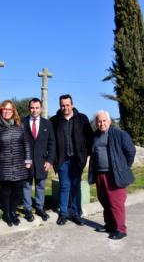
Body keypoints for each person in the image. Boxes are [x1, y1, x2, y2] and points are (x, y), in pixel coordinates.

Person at [88, 110, 135, 240]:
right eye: (99, 121)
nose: (101, 123)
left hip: (114, 175)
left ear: (109, 121)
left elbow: (130, 151)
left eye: (104, 120)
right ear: (96, 122)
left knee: (116, 203)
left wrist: (123, 167)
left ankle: (120, 229)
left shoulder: (119, 134)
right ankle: (109, 225)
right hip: (100, 174)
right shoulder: (95, 136)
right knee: (104, 200)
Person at [50, 94, 93, 226]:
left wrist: (86, 154)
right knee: (64, 186)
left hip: (77, 159)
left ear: (72, 105)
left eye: (67, 105)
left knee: (76, 187)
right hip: (62, 160)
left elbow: (89, 137)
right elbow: (51, 141)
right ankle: (63, 214)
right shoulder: (54, 121)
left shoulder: (82, 119)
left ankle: (76, 213)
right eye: (62, 105)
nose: (65, 107)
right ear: (60, 106)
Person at [0, 100, 32, 227]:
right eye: (5, 109)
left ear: (13, 111)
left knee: (17, 191)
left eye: (9, 109)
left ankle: (13, 212)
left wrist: (27, 161)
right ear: (1, 111)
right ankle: (6, 214)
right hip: (3, 164)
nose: (7, 111)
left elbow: (26, 144)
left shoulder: (20, 125)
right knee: (5, 190)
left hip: (19, 163)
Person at [22, 98, 56, 222]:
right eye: (32, 108)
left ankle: (40, 208)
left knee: (40, 186)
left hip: (42, 162)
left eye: (37, 108)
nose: (34, 110)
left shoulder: (48, 124)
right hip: (26, 162)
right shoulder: (22, 122)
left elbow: (52, 143)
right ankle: (27, 210)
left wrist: (50, 160)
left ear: (40, 109)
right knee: (26, 186)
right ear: (29, 108)